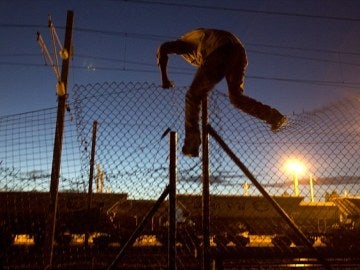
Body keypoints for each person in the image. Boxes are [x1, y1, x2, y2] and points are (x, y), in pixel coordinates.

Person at [157, 28, 287, 157]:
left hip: (219, 50)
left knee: (193, 96)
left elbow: (163, 48)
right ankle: (274, 117)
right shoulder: (197, 43)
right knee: (236, 98)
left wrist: (164, 79)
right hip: (238, 51)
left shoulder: (184, 43)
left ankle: (192, 144)